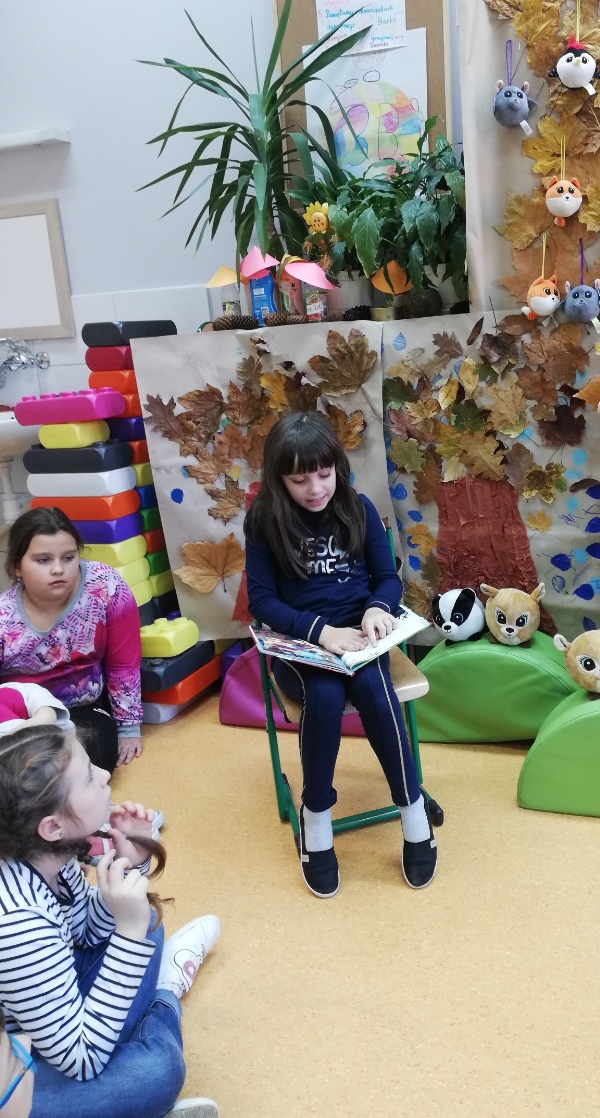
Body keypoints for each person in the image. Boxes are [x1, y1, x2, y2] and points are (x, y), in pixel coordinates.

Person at [244, 411, 437, 898]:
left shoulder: (357, 506)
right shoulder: (265, 521)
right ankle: (317, 816)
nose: (315, 489)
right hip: (303, 644)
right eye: (299, 480)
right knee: (326, 697)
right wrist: (321, 632)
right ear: (278, 478)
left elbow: (387, 578)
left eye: (324, 474)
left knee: (374, 685)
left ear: (337, 467)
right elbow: (262, 602)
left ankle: (412, 809)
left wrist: (376, 608)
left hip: (360, 638)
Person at [0, 725, 220, 1118]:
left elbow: (85, 930)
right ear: (52, 826)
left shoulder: (46, 853)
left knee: (147, 922)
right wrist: (128, 935)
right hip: (14, 1072)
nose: (105, 775)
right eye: (89, 777)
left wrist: (130, 862)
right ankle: (166, 995)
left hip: (40, 1020)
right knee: (158, 1073)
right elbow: (81, 1059)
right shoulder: (19, 924)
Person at [0, 507, 143, 773]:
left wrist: (128, 727)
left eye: (68, 557)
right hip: (24, 715)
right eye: (43, 560)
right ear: (17, 567)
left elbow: (124, 662)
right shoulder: (3, 617)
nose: (58, 569)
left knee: (95, 750)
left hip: (84, 710)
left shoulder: (105, 586)